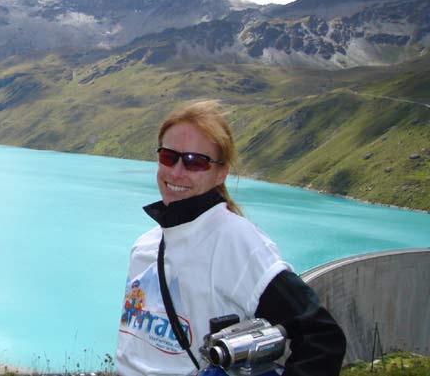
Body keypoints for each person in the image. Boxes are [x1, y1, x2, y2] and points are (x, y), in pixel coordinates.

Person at [116, 101, 346, 376]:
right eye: (168, 156)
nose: (177, 172)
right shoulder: (146, 245)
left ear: (221, 172)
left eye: (195, 162)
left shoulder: (238, 242)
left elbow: (321, 337)